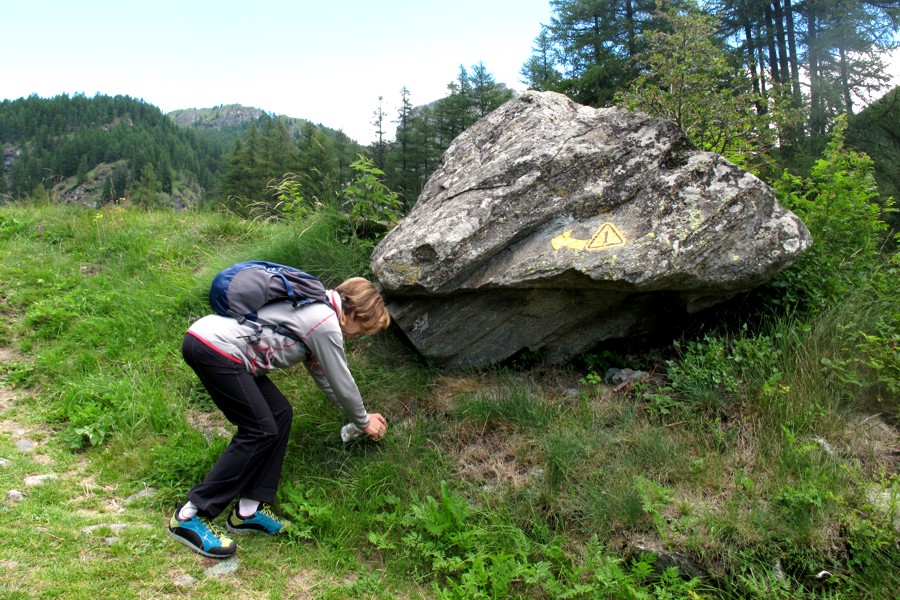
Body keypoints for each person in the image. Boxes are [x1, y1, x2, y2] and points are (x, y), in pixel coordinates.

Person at [167, 276, 391, 558]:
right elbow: (342, 380)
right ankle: (191, 515)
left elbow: (328, 379)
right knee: (259, 430)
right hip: (216, 349)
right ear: (355, 314)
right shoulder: (324, 322)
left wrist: (359, 417)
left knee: (279, 414)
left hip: (214, 344)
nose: (357, 336)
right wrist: (364, 421)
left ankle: (249, 510)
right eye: (363, 330)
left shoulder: (315, 308)